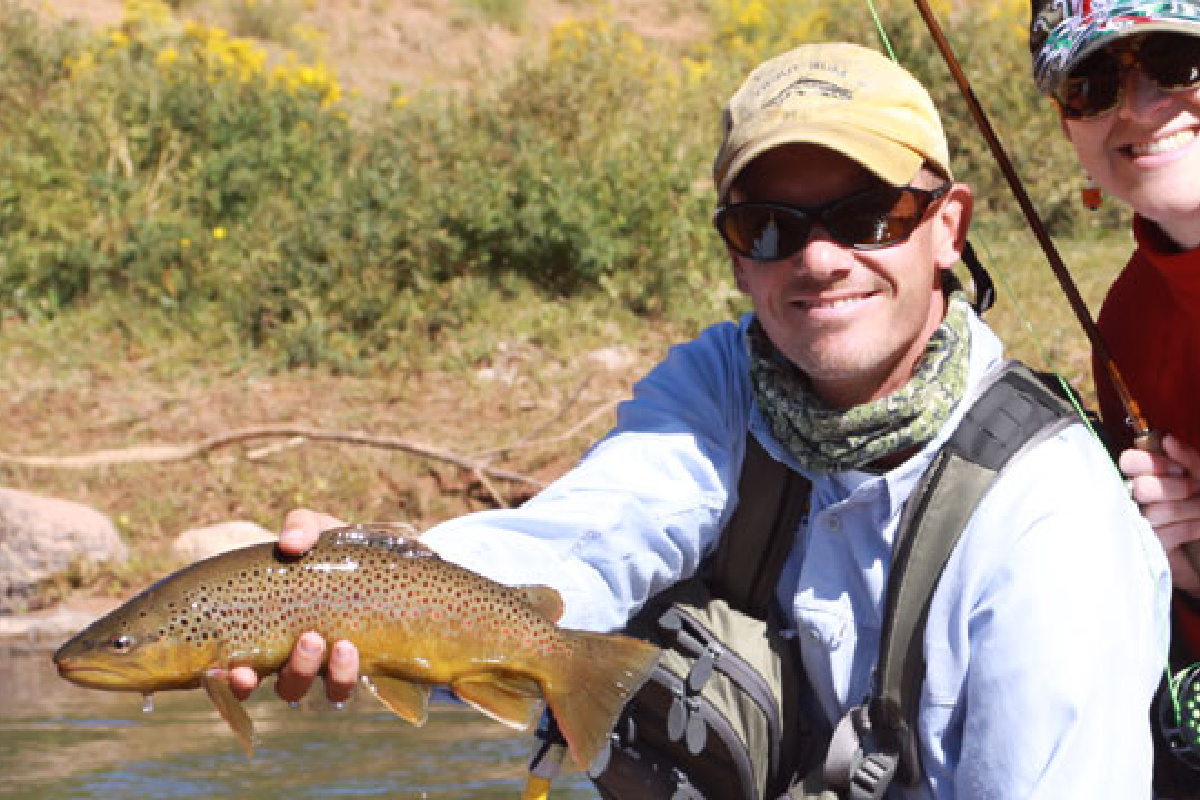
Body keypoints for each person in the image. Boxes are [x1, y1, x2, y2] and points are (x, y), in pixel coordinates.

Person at [234, 42, 1169, 797]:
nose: (818, 259)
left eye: (867, 215)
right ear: (735, 257)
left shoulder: (1052, 522)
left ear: (949, 227)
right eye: (770, 226)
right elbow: (582, 545)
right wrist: (378, 582)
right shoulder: (726, 384)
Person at [1028, 2, 1200, 790]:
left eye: (1175, 60)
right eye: (1092, 83)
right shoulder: (1126, 322)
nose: (1136, 107)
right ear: (1070, 129)